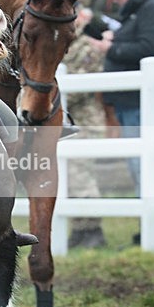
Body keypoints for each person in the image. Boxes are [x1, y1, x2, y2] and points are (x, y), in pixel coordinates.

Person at [90, 0, 154, 197]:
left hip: (140, 100)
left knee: (143, 160)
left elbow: (150, 49)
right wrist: (116, 40)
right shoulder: (142, 8)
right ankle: (145, 207)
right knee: (137, 159)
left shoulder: (153, 8)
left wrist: (110, 48)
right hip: (131, 99)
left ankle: (150, 205)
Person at [64, 20, 107, 249]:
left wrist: (46, 96)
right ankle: (79, 228)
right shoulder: (58, 45)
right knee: (70, 178)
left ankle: (92, 229)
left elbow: (79, 89)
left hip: (86, 123)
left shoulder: (85, 48)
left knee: (82, 176)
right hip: (67, 124)